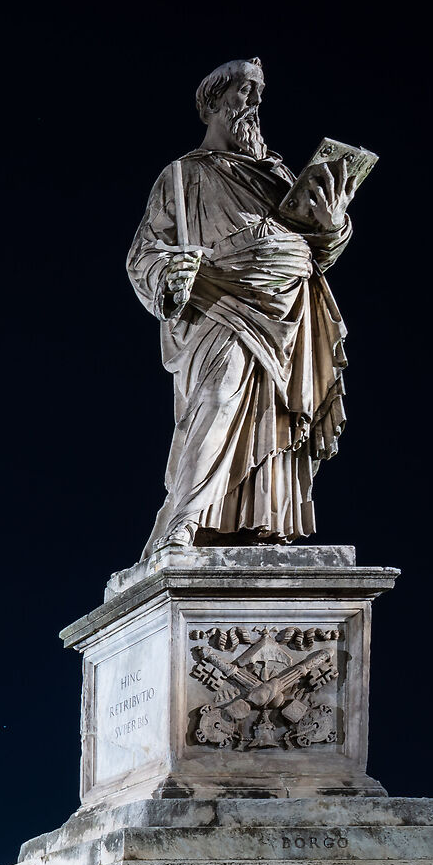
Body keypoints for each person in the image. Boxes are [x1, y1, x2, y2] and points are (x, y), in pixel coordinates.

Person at [128, 59, 360, 556]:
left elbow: (319, 248)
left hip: (287, 309)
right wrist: (172, 272)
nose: (254, 103)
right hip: (221, 303)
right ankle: (183, 521)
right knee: (217, 401)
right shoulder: (182, 176)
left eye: (258, 94)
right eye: (243, 92)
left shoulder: (277, 174)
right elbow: (143, 255)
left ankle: (263, 522)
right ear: (212, 103)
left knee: (273, 416)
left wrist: (332, 222)